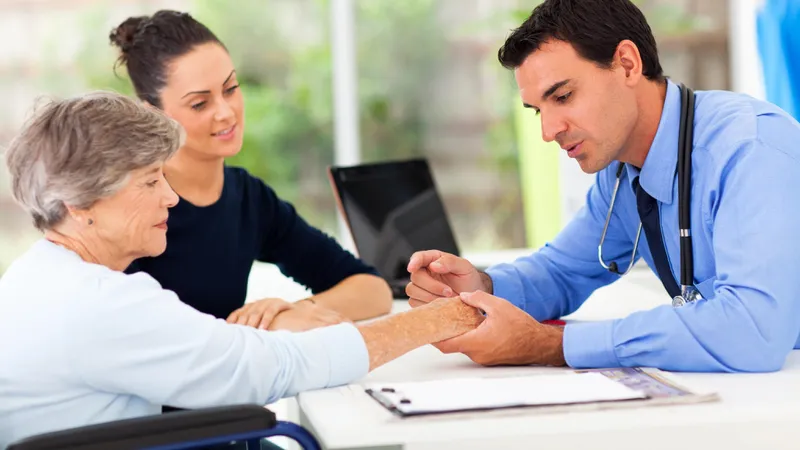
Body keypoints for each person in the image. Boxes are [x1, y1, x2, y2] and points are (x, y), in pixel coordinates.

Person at [0, 91, 483, 448]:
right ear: (82, 203)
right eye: (150, 181)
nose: (170, 197)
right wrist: (446, 316)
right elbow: (267, 370)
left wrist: (290, 315)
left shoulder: (38, 279)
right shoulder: (97, 302)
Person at [405, 0, 800, 373]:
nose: (548, 131)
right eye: (539, 110)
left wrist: (550, 345)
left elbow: (754, 329)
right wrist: (482, 286)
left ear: (627, 64)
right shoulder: (621, 173)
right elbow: (561, 271)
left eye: (563, 96)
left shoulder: (750, 147)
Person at [107, 10, 392, 332]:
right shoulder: (126, 203)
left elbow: (373, 290)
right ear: (153, 114)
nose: (227, 113)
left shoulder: (248, 198)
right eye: (200, 103)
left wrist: (291, 311)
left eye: (230, 88)